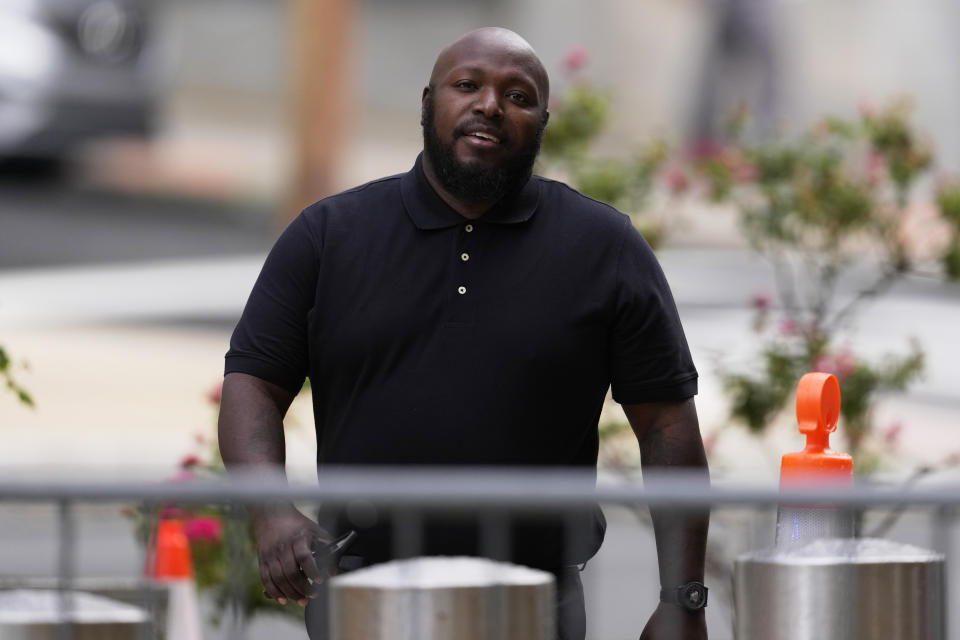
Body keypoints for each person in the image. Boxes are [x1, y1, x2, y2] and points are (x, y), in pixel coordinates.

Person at [219, 27, 710, 640]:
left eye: (519, 95)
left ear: (543, 121)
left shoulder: (604, 247)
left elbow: (666, 425)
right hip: (363, 595)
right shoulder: (328, 236)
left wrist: (682, 601)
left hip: (534, 601)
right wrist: (270, 513)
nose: (490, 106)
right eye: (468, 85)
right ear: (428, 103)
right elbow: (252, 383)